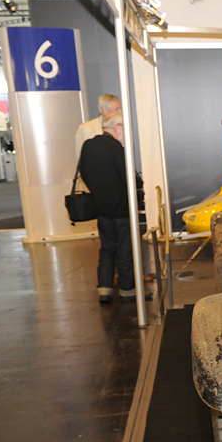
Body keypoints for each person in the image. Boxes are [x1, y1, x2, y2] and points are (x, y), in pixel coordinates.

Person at [78, 112, 144, 303]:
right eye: (124, 128)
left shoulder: (88, 145)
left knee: (106, 248)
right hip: (122, 209)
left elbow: (83, 172)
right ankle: (128, 290)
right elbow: (130, 179)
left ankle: (104, 289)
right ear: (116, 127)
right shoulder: (116, 147)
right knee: (125, 250)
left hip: (100, 208)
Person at [75, 94, 122, 160]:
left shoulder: (123, 125)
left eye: (121, 108)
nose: (120, 112)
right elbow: (81, 158)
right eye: (117, 109)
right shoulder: (86, 128)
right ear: (105, 110)